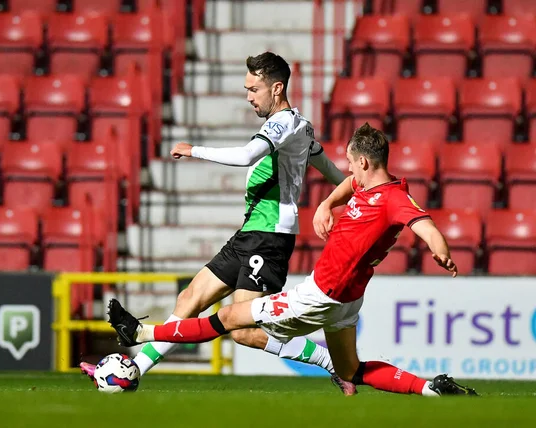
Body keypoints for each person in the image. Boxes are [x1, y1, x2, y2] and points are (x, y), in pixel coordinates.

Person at [107, 123, 478, 396]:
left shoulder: (394, 200)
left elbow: (424, 224)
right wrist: (326, 203)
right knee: (351, 368)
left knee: (229, 318)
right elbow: (350, 185)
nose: (347, 170)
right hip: (348, 302)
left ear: (363, 161)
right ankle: (430, 388)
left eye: (350, 163)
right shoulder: (381, 184)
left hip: (320, 294)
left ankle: (140, 333)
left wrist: (439, 248)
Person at [81, 52, 354, 393]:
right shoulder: (298, 126)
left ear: (277, 87)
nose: (249, 97)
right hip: (250, 233)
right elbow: (325, 164)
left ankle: (335, 365)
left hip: (269, 237)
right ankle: (132, 371)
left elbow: (246, 156)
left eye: (254, 89)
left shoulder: (283, 124)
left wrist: (194, 150)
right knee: (189, 299)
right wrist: (351, 193)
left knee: (242, 331)